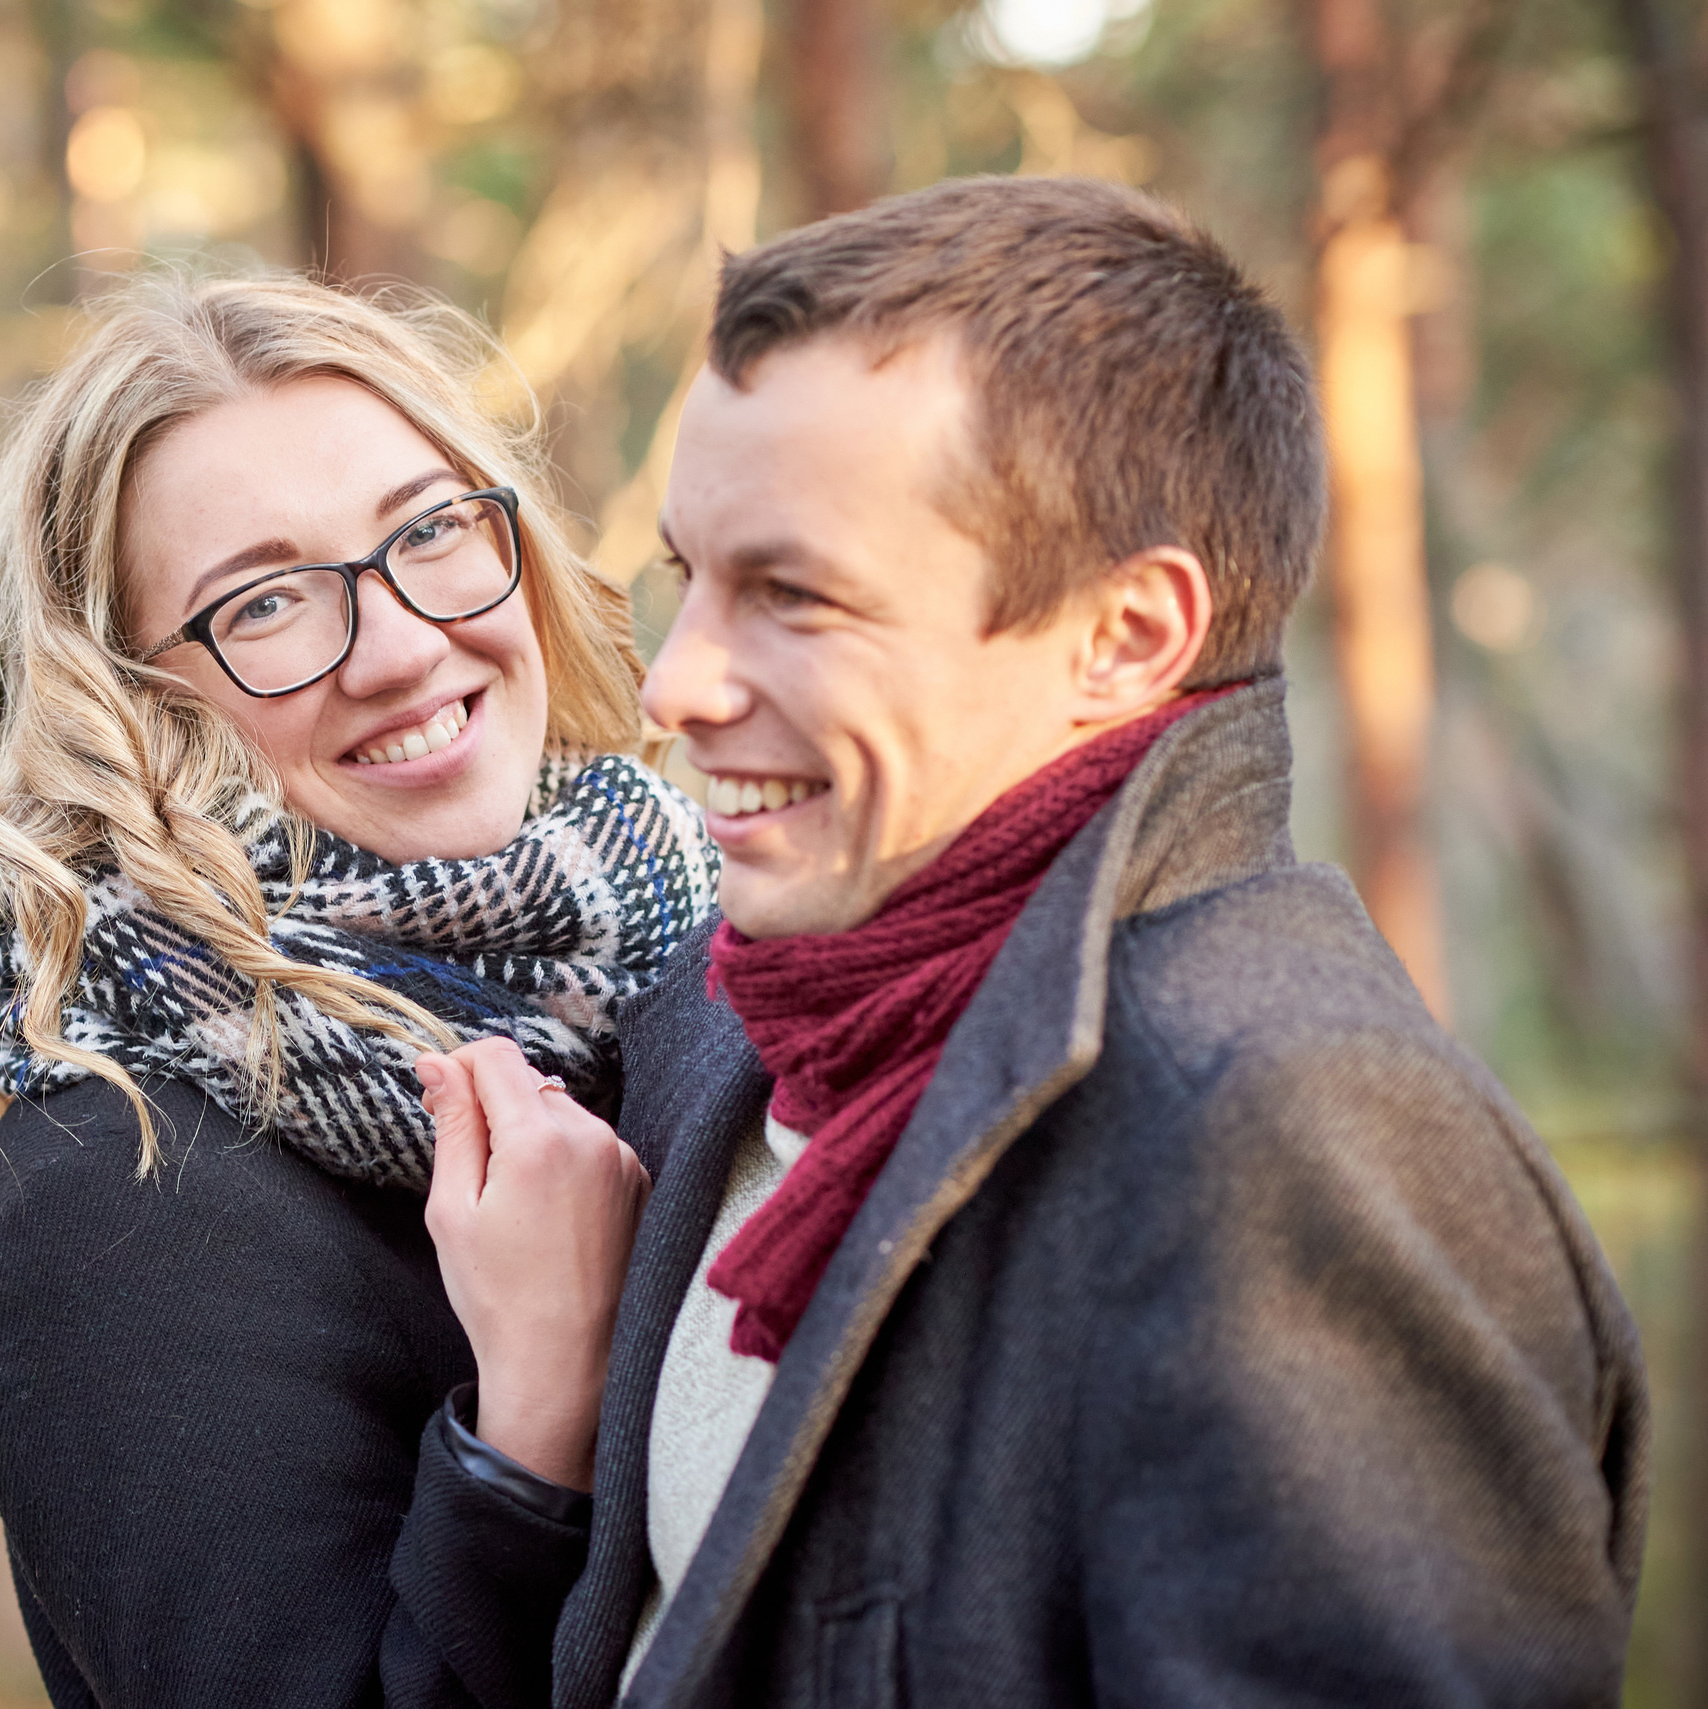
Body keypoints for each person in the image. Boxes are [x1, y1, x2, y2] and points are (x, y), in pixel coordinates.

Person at [428, 176, 1651, 1706]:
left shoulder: (1290, 1138)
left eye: (792, 593)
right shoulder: (733, 1014)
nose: (675, 684)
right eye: (692, 577)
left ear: (1125, 636)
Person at [0, 273, 718, 1709]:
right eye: (268, 602)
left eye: (431, 530)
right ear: (122, 702)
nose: (406, 645)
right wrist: (536, 1419)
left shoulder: (691, 955)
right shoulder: (112, 1185)